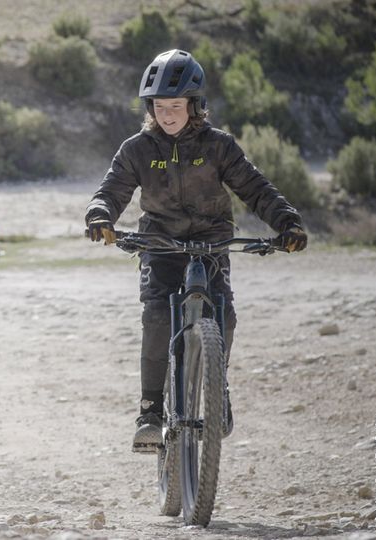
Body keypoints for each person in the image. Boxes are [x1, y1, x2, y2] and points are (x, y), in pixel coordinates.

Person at [84, 49, 307, 452]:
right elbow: (111, 190)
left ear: (195, 105)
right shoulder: (137, 148)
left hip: (212, 242)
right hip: (159, 243)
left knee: (225, 315)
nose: (167, 114)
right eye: (159, 106)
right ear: (150, 107)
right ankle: (150, 412)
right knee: (156, 318)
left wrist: (287, 222)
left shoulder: (219, 147)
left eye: (176, 105)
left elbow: (256, 189)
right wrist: (100, 214)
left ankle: (215, 390)